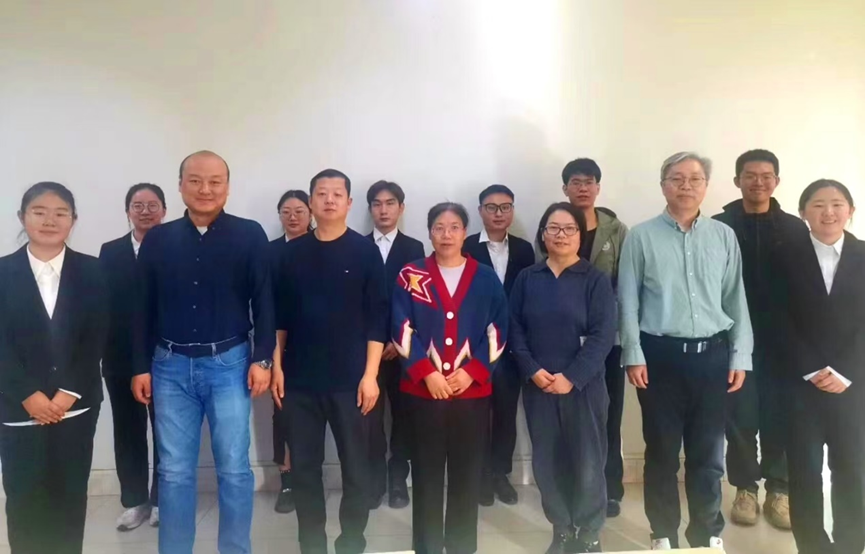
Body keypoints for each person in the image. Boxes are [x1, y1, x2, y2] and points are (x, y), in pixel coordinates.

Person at [132, 151, 275, 554]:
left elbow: (265, 301)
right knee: (174, 471)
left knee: (234, 468)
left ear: (227, 187)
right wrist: (140, 366)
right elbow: (141, 307)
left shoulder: (249, 235)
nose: (205, 189)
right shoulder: (158, 239)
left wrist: (263, 358)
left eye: (215, 181)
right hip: (169, 367)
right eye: (195, 180)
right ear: (180, 185)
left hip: (229, 364)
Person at [618, 152, 753, 550]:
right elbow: (628, 300)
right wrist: (633, 353)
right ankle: (663, 533)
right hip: (659, 358)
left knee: (708, 455)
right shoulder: (641, 237)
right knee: (661, 452)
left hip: (713, 357)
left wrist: (740, 355)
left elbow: (736, 298)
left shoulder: (723, 236)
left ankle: (707, 534)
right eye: (677, 178)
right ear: (663, 185)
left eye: (695, 178)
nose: (686, 186)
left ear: (706, 186)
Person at [271, 169, 387, 554]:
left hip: (351, 382)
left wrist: (371, 375)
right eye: (322, 193)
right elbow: (279, 318)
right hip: (300, 382)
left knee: (357, 470)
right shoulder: (291, 254)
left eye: (337, 193)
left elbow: (377, 318)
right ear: (311, 202)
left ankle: (351, 542)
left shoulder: (364, 251)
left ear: (349, 203)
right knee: (304, 470)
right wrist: (277, 366)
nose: (330, 200)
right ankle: (312, 544)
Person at [393, 202, 508, 554]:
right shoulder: (412, 275)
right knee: (426, 474)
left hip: (471, 396)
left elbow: (499, 328)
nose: (446, 234)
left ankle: (461, 547)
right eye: (439, 227)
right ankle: (427, 547)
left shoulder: (485, 277)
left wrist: (473, 372)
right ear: (429, 232)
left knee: (466, 475)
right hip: (423, 394)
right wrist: (426, 373)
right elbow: (400, 327)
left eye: (454, 227)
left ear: (464, 232)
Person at [0, 182, 108, 554]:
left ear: (73, 220)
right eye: (39, 212)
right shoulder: (2, 272)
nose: (50, 220)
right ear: (22, 217)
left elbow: (96, 336)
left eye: (60, 213)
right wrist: (27, 394)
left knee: (69, 497)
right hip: (17, 406)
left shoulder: (93, 271)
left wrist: (67, 393)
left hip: (74, 406)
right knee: (24, 498)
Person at [509, 202, 616, 554]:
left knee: (588, 462)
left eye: (569, 228)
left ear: (580, 236)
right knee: (547, 461)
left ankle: (589, 532)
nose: (561, 235)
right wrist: (532, 370)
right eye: (553, 228)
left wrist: (571, 377)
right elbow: (514, 329)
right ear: (543, 235)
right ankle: (562, 528)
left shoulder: (595, 280)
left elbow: (603, 336)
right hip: (539, 386)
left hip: (583, 388)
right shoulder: (528, 278)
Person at [713, 149, 806, 529]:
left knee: (780, 416)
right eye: (750, 175)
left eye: (766, 176)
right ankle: (745, 489)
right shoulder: (718, 226)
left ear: (777, 181)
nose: (758, 182)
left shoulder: (795, 229)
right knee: (739, 417)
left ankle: (780, 490)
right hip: (734, 341)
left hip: (782, 343)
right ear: (737, 180)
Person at [773, 180, 865, 554]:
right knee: (804, 470)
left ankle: (851, 544)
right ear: (803, 213)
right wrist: (811, 368)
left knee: (853, 468)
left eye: (837, 204)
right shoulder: (783, 256)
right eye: (818, 204)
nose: (828, 212)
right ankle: (812, 546)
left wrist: (846, 372)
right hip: (801, 385)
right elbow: (775, 318)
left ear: (850, 211)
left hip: (853, 386)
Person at [561, 158, 629, 518]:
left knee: (608, 415)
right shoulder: (556, 225)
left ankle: (609, 488)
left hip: (607, 340)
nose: (583, 188)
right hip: (564, 340)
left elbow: (625, 285)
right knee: (570, 416)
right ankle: (573, 485)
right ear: (565, 189)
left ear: (598, 188)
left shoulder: (616, 230)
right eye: (576, 182)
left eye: (589, 182)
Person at [100, 183, 168, 531]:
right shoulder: (110, 251)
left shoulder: (176, 248)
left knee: (165, 431)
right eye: (137, 205)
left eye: (152, 205)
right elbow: (102, 305)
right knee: (127, 430)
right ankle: (134, 501)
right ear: (127, 211)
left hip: (164, 356)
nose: (145, 211)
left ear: (164, 211)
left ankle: (162, 500)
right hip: (120, 356)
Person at [461, 184, 534, 506]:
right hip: (473, 347)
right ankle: (477, 476)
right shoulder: (465, 247)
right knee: (475, 414)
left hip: (512, 345)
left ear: (512, 210)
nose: (498, 213)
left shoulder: (524, 250)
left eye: (505, 207)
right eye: (491, 207)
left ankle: (499, 474)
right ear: (480, 211)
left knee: (506, 412)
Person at [365, 180, 425, 510]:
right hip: (367, 352)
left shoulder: (414, 248)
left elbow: (419, 301)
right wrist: (376, 340)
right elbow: (355, 302)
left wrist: (397, 339)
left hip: (405, 351)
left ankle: (398, 479)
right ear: (370, 209)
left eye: (390, 203)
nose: (383, 210)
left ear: (401, 208)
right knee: (369, 419)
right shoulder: (357, 246)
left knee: (405, 417)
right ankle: (374, 481)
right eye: (377, 204)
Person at [269, 189, 313, 515]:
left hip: (317, 343)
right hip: (279, 344)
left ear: (311, 213)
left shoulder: (323, 246)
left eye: (299, 210)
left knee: (318, 415)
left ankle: (311, 478)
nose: (293, 216)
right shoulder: (269, 252)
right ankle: (287, 481)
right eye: (287, 211)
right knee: (283, 412)